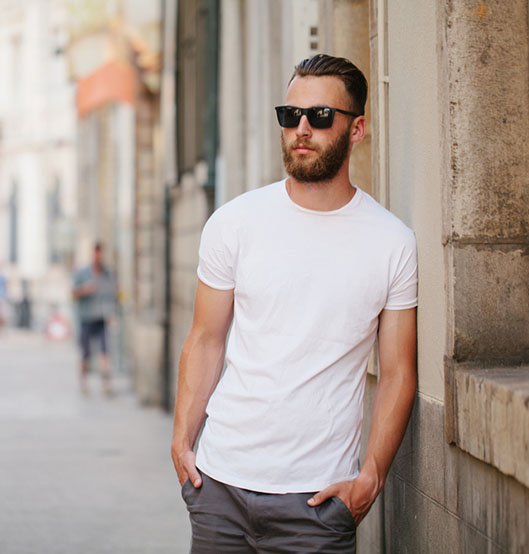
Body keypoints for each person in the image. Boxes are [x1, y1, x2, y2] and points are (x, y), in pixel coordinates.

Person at [171, 54, 418, 553]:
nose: (301, 129)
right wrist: (182, 440)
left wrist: (371, 475)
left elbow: (397, 372)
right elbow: (205, 338)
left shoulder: (392, 242)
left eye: (320, 117)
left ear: (357, 129)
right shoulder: (235, 222)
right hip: (220, 487)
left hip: (318, 503)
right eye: (291, 115)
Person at [72, 243, 117, 396]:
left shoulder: (108, 274)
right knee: (86, 354)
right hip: (86, 317)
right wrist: (85, 289)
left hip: (102, 318)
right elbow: (73, 293)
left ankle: (106, 385)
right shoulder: (83, 273)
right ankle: (83, 383)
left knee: (105, 352)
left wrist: (112, 314)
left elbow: (113, 295)